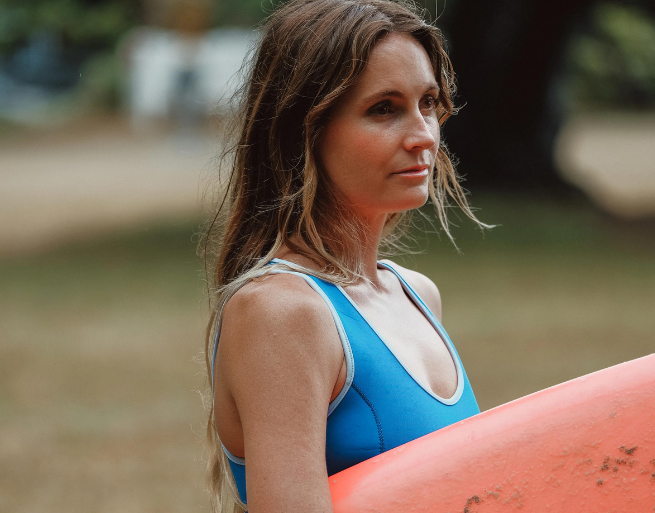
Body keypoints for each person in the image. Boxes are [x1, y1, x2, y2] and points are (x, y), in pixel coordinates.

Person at [200, 0, 488, 511]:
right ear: (305, 131)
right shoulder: (281, 311)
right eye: (384, 109)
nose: (423, 135)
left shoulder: (416, 294)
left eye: (428, 102)